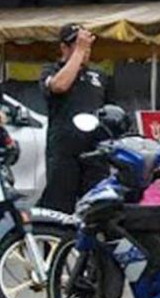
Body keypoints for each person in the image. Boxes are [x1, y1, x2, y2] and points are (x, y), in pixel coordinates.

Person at [38, 24, 112, 213]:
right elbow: (59, 86)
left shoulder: (99, 76)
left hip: (95, 151)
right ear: (64, 47)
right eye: (78, 44)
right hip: (64, 150)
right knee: (58, 207)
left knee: (97, 208)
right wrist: (78, 52)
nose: (85, 49)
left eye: (87, 45)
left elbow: (111, 109)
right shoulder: (51, 70)